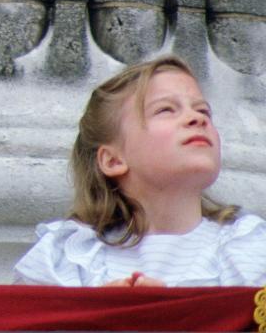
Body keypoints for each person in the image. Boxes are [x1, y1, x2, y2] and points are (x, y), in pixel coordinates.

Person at [14, 55, 266, 287]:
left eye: (203, 111)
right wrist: (96, 314)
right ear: (112, 160)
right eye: (166, 109)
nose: (197, 119)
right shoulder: (68, 256)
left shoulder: (248, 248)